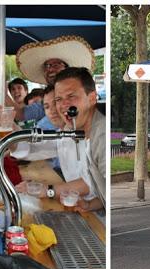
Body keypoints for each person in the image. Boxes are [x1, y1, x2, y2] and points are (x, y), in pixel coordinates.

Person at [53, 67, 105, 211]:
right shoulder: (70, 130)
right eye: (58, 99)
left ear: (92, 98)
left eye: (71, 96)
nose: (64, 105)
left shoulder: (101, 136)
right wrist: (90, 205)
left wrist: (49, 191)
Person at [13, 35, 94, 122]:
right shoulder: (46, 98)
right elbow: (20, 114)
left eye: (56, 65)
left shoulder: (81, 90)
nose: (50, 69)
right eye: (47, 66)